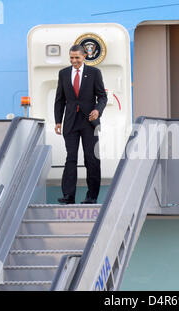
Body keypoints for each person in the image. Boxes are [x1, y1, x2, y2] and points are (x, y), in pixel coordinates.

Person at [54, 44, 107, 204]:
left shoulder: (94, 73)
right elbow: (60, 99)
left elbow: (102, 97)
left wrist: (98, 110)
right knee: (71, 158)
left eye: (77, 57)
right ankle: (68, 196)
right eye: (71, 57)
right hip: (70, 122)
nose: (74, 60)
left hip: (89, 121)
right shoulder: (63, 73)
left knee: (91, 158)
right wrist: (58, 120)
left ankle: (91, 196)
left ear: (84, 56)